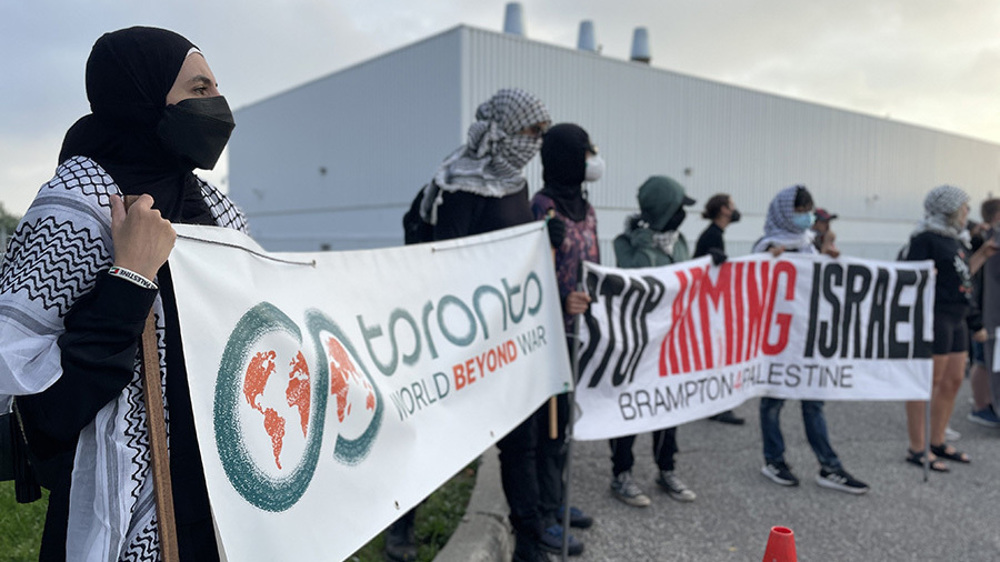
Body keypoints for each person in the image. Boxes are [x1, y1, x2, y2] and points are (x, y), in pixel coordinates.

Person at [0, 27, 245, 560]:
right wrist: (130, 277)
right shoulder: (81, 202)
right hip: (129, 502)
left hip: (225, 495)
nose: (218, 105)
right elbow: (42, 408)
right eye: (199, 89)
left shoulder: (218, 212)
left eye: (216, 89)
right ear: (141, 93)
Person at [409, 87, 556, 562]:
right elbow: (449, 261)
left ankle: (529, 540)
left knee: (522, 443)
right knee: (435, 438)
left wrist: (538, 239)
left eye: (540, 134)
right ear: (505, 131)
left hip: (508, 338)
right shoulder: (459, 185)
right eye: (530, 131)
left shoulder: (515, 183)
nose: (534, 142)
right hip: (462, 340)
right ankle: (402, 528)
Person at [752, 185, 869, 494]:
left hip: (808, 340)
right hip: (779, 343)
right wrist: (768, 261)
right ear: (784, 213)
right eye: (799, 211)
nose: (805, 218)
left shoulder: (808, 246)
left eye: (808, 211)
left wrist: (832, 261)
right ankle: (774, 459)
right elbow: (751, 286)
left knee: (814, 403)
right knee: (773, 403)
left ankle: (829, 466)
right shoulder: (767, 245)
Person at [530, 123, 600, 553]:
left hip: (580, 334)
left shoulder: (586, 208)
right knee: (547, 427)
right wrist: (560, 298)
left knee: (566, 424)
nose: (593, 160)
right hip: (549, 334)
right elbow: (527, 277)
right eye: (586, 152)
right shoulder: (542, 207)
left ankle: (557, 502)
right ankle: (542, 513)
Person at [608, 176, 698, 507]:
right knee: (630, 410)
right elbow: (636, 278)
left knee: (667, 408)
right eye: (677, 208)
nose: (682, 216)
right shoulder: (626, 244)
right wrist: (646, 244)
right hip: (636, 345)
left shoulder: (682, 242)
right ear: (663, 210)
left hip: (671, 344)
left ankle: (666, 468)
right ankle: (622, 474)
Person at [900, 186, 996, 472]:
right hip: (935, 316)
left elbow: (964, 276)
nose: (967, 212)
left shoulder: (958, 240)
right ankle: (917, 447)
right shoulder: (925, 238)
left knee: (954, 380)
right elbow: (910, 275)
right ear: (949, 209)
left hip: (958, 316)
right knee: (928, 382)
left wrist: (982, 255)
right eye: (964, 207)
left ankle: (937, 440)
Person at [694, 193, 746, 425]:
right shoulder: (711, 236)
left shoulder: (715, 234)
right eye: (731, 206)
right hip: (708, 308)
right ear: (723, 210)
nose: (734, 210)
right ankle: (715, 406)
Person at [967, 201, 1000, 427]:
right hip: (980, 309)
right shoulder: (981, 239)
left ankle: (987, 400)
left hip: (986, 307)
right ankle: (980, 407)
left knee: (990, 359)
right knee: (981, 359)